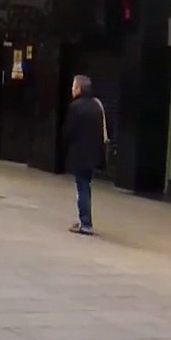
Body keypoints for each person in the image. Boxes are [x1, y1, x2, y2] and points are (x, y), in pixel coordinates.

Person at [63, 74, 107, 235]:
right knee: (85, 186)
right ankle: (85, 220)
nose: (72, 90)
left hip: (79, 154)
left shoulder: (75, 107)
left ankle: (85, 223)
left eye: (74, 87)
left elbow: (69, 131)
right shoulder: (96, 105)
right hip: (94, 155)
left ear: (79, 88)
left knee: (81, 187)